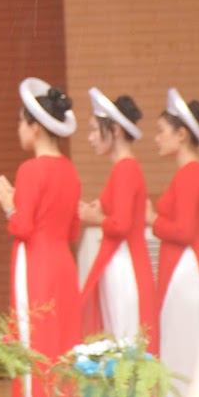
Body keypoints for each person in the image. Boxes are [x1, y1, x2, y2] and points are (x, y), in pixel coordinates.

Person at [0, 79, 82, 397]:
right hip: (63, 263)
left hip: (36, 266)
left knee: (36, 351)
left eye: (21, 122)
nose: (18, 130)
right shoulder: (70, 171)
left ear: (36, 127)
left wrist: (8, 203)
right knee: (63, 351)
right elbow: (73, 230)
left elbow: (22, 226)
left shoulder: (31, 169)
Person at [150, 88, 199, 397]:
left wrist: (153, 220)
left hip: (186, 273)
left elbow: (186, 231)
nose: (156, 139)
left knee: (184, 352)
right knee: (179, 350)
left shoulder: (192, 173)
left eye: (161, 131)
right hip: (181, 270)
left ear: (181, 135)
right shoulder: (189, 172)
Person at [79, 89, 158, 347]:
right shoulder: (124, 168)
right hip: (121, 263)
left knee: (125, 340)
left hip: (125, 266)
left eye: (94, 130)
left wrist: (95, 218)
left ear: (115, 130)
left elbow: (121, 224)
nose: (90, 138)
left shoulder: (126, 169)